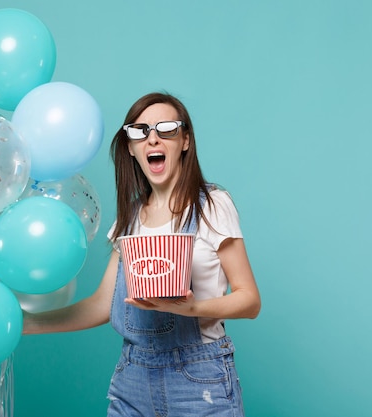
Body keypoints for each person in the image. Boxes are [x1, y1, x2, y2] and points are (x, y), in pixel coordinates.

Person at [23, 92, 261, 416]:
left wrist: (193, 308)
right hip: (132, 380)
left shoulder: (212, 206)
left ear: (185, 141)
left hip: (198, 378)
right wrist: (25, 323)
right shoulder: (129, 218)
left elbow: (250, 300)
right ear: (131, 148)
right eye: (140, 131)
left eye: (166, 129)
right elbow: (101, 306)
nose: (152, 139)